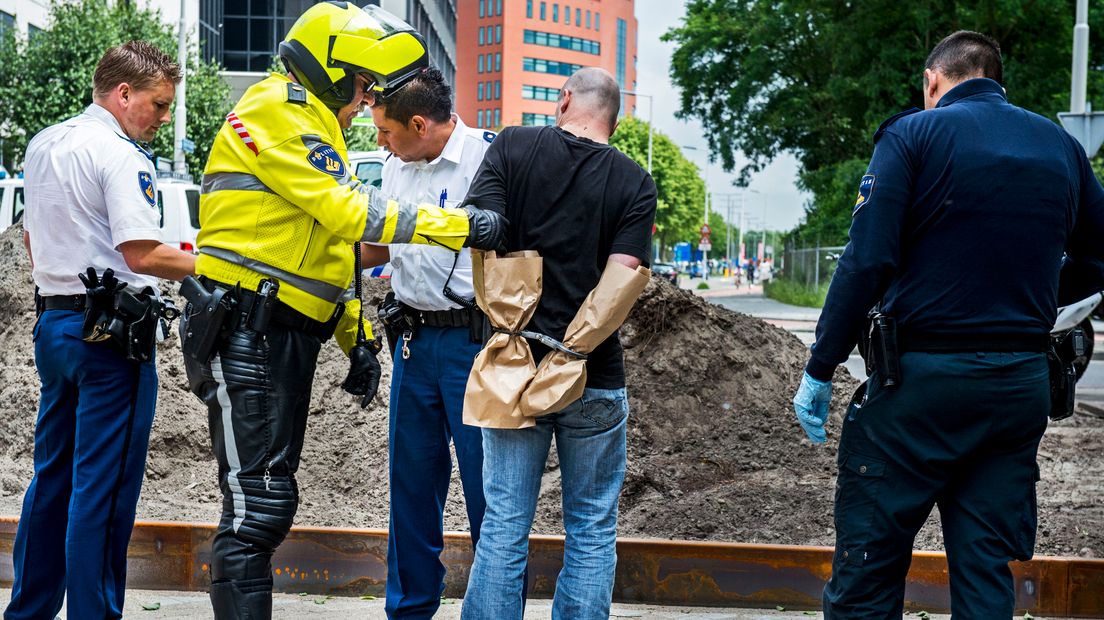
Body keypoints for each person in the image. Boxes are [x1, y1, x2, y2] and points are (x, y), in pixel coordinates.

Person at [181, 3, 505, 617]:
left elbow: (330, 255)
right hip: (248, 325)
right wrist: (461, 227)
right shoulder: (275, 110)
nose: (364, 104)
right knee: (258, 508)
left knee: (266, 501)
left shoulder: (312, 125)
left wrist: (354, 336)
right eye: (361, 88)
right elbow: (351, 216)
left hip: (279, 331)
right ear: (330, 70)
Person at [792, 31, 1104, 618]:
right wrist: (1038, 300)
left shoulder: (913, 134)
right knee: (987, 568)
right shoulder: (1059, 146)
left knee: (869, 564)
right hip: (1017, 386)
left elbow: (868, 259)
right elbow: (1098, 256)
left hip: (919, 387)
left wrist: (821, 364)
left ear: (933, 81)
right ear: (996, 79)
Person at [460, 67, 657, 620]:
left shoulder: (515, 145)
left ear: (565, 98)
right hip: (592, 376)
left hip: (514, 370)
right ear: (615, 120)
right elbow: (622, 278)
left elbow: (483, 230)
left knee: (504, 525)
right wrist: (572, 350)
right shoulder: (634, 182)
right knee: (592, 526)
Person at [8, 41, 196, 619]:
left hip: (56, 323)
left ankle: (30, 611)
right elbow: (140, 253)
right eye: (159, 105)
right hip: (110, 335)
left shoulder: (44, 143)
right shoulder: (120, 153)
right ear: (123, 94)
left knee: (52, 478)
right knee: (104, 489)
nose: (163, 120)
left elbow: (32, 239)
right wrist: (219, 263)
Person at [360, 67, 493, 619]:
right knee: (411, 485)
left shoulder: (487, 160)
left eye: (386, 132)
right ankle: (411, 608)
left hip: (473, 345)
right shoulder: (396, 166)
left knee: (490, 488)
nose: (379, 143)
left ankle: (492, 606)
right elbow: (381, 248)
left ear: (419, 124)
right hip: (412, 343)